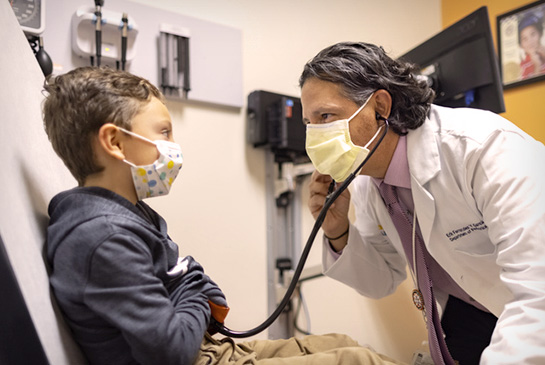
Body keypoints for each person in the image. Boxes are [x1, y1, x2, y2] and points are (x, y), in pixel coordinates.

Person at [43, 66, 404, 365]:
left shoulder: (128, 216)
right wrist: (195, 288)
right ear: (115, 142)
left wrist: (188, 282)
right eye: (163, 132)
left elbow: (183, 289)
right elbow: (173, 348)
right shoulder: (102, 237)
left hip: (211, 351)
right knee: (359, 362)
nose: (173, 147)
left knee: (342, 342)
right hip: (197, 360)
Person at [300, 41, 545, 365]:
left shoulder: (484, 149)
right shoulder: (367, 180)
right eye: (308, 123)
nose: (315, 134)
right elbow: (381, 281)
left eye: (326, 116)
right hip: (469, 307)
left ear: (380, 107)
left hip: (527, 307)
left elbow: (538, 292)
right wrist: (337, 232)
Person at [518, 12, 545, 79]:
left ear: (540, 33)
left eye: (533, 34)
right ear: (521, 45)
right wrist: (537, 66)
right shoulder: (523, 67)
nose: (530, 41)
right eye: (525, 39)